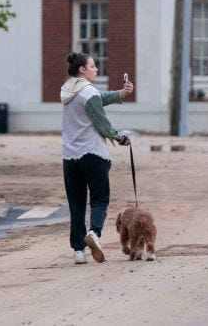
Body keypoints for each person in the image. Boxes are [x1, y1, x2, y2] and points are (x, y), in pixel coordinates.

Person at [60, 51, 134, 264]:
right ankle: (94, 233)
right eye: (93, 66)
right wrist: (120, 138)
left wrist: (120, 93)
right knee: (100, 200)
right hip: (93, 154)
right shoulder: (88, 92)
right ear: (82, 69)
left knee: (76, 204)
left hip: (70, 156)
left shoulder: (68, 90)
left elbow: (98, 100)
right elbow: (101, 121)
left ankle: (78, 251)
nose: (96, 69)